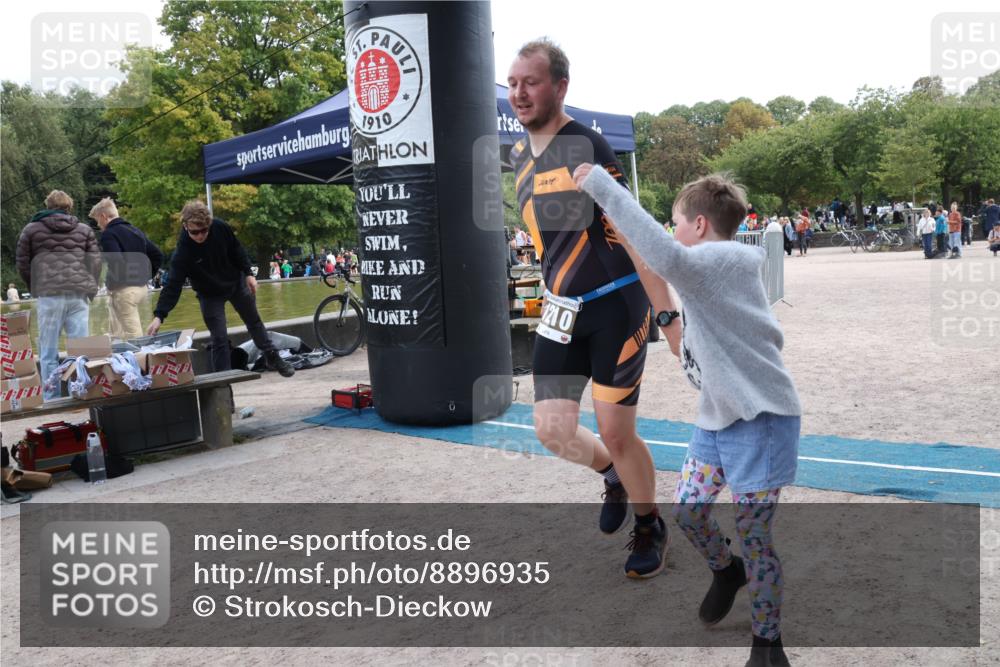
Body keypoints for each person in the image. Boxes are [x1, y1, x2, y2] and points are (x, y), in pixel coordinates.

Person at [574, 163, 801, 667]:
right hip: (717, 418)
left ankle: (768, 645)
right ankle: (726, 571)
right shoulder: (705, 279)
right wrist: (660, 301)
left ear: (699, 225)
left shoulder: (727, 261)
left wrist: (600, 185)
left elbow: (663, 254)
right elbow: (686, 348)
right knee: (690, 511)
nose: (673, 230)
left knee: (755, 535)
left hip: (762, 419)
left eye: (676, 221)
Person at [507, 38, 671, 578]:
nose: (519, 92)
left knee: (617, 429)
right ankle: (614, 475)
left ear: (559, 86)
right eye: (512, 83)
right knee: (552, 430)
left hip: (615, 307)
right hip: (560, 310)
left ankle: (648, 524)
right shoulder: (515, 157)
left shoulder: (588, 145)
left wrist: (665, 315)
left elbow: (631, 229)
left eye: (530, 82)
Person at [147, 200, 294, 377]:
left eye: (204, 231)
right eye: (195, 232)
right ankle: (222, 379)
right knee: (219, 338)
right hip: (209, 293)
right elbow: (173, 285)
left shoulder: (220, 227)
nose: (200, 236)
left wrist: (248, 273)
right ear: (185, 226)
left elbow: (236, 249)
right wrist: (159, 316)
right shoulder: (183, 252)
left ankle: (272, 356)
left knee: (254, 321)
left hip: (234, 282)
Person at [16, 190, 101, 400]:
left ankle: (52, 398)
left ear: (48, 206)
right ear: (69, 207)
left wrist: (35, 286)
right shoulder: (84, 229)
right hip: (78, 295)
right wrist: (90, 287)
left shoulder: (31, 230)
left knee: (48, 352)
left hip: (49, 295)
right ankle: (80, 393)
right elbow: (96, 261)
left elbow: (22, 263)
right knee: (80, 351)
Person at [89, 198, 163, 340]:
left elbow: (116, 260)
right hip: (141, 288)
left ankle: (139, 360)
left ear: (104, 217)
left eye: (97, 220)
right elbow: (157, 255)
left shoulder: (108, 234)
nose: (98, 225)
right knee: (116, 335)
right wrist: (146, 275)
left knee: (134, 336)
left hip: (124, 291)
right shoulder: (135, 231)